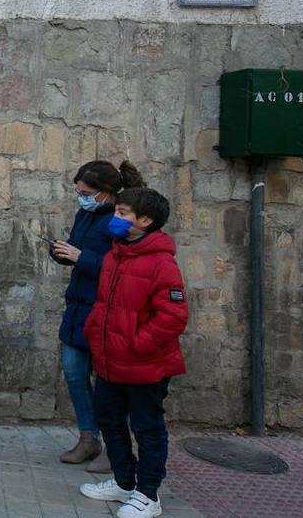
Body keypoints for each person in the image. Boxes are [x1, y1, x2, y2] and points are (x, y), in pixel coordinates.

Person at [80, 187, 187, 518]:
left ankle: (148, 494)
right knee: (110, 420)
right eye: (117, 212)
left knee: (147, 428)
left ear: (146, 220)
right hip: (110, 362)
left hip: (145, 365)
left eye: (123, 213)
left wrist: (135, 345)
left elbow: (173, 317)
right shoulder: (116, 254)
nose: (116, 218)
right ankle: (124, 481)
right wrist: (97, 335)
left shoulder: (161, 264)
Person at [52, 160, 147, 473]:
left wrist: (82, 257)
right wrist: (63, 253)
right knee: (74, 374)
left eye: (87, 192)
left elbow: (121, 266)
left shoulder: (120, 222)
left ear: (107, 193)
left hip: (105, 310)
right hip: (78, 307)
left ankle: (117, 445)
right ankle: (88, 437)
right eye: (79, 192)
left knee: (110, 383)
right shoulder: (86, 214)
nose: (82, 197)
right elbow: (80, 253)